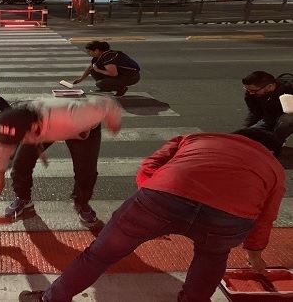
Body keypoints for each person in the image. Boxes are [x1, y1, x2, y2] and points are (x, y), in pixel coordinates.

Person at [18, 128, 286, 302]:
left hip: (160, 199)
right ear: (271, 150)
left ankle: (51, 300)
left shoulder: (195, 138)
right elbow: (266, 216)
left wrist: (153, 202)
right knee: (211, 258)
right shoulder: (274, 167)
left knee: (100, 254)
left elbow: (151, 164)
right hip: (227, 218)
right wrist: (254, 253)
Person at [0, 97, 122, 225]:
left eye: (20, 138)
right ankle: (23, 198)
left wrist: (113, 122)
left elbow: (106, 103)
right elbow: (2, 148)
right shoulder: (13, 122)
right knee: (21, 163)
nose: (18, 143)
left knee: (86, 170)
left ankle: (82, 202)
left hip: (81, 130)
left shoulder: (78, 116)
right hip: (42, 129)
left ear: (34, 127)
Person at [243, 70, 293, 147]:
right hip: (268, 119)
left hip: (286, 119)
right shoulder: (252, 95)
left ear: (269, 86)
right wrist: (249, 130)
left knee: (287, 120)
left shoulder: (289, 89)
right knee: (245, 135)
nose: (250, 93)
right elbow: (254, 113)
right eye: (248, 90)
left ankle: (275, 144)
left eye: (254, 90)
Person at [73, 41, 140, 97]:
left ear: (96, 50)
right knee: (92, 70)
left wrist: (98, 70)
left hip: (131, 77)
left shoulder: (107, 57)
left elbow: (113, 74)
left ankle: (121, 89)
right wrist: (80, 79)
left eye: (89, 51)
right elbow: (90, 67)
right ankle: (106, 88)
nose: (88, 53)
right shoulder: (99, 56)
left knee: (100, 83)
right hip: (122, 74)